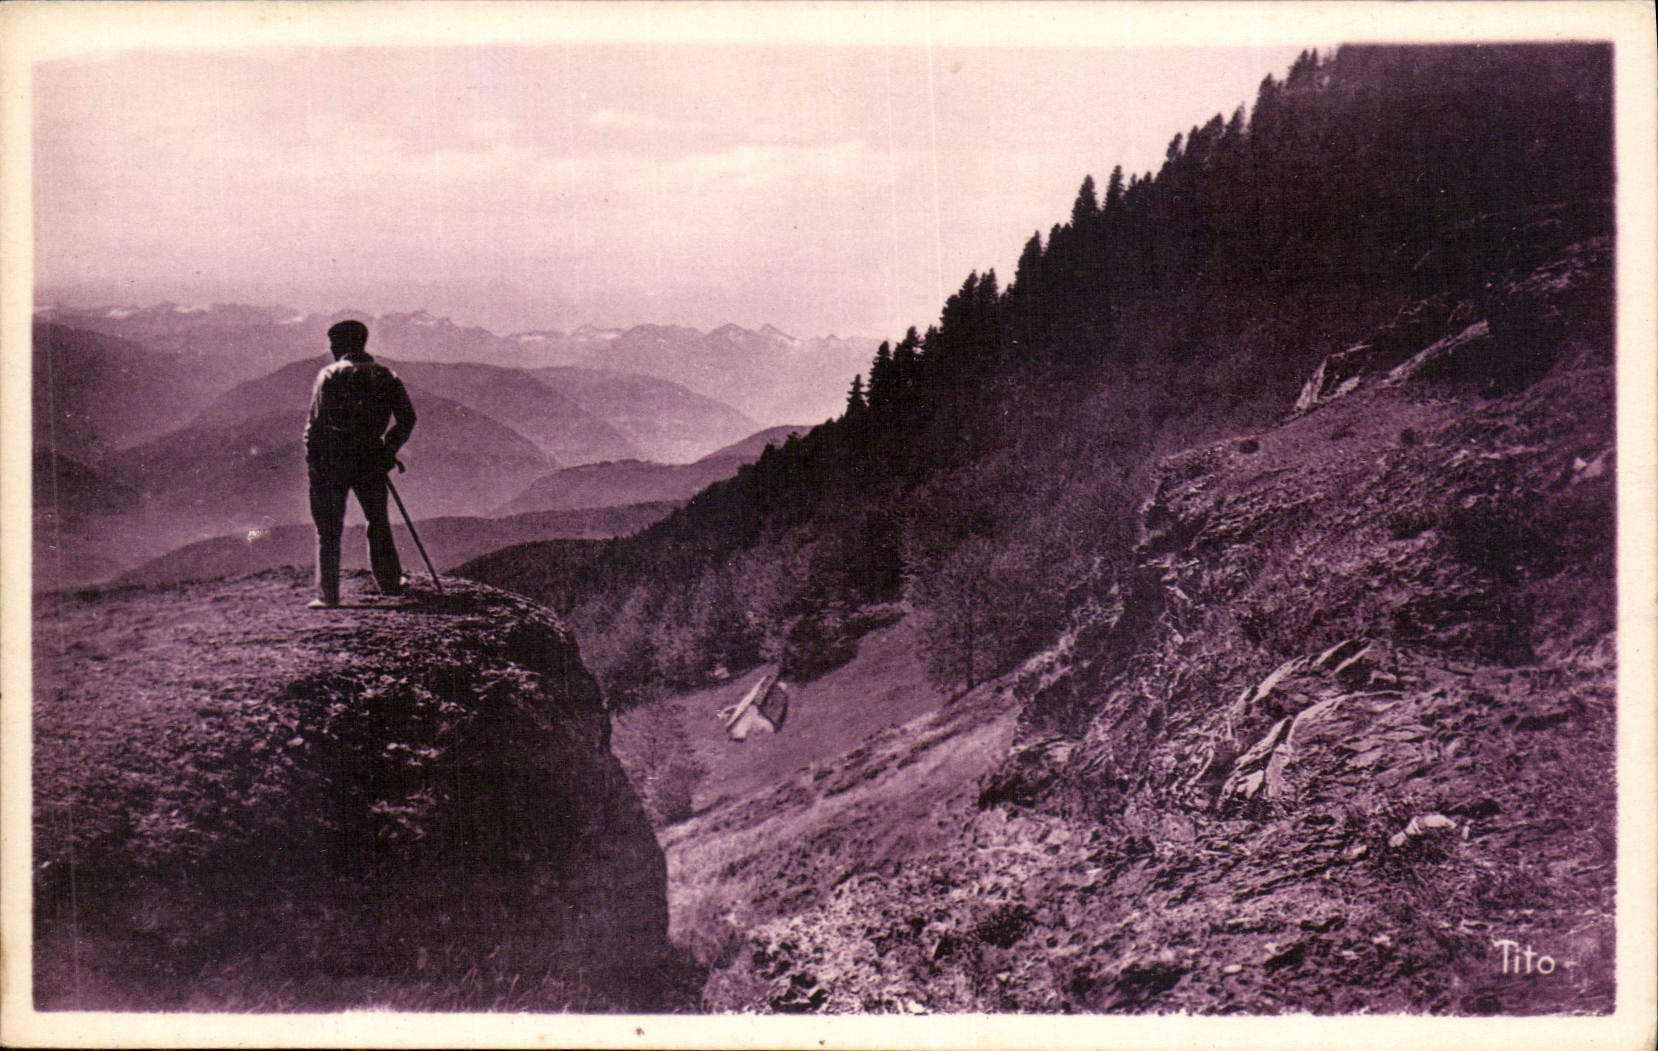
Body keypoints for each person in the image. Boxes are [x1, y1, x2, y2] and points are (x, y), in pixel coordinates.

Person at [303, 319, 417, 608]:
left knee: (327, 528)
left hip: (332, 460)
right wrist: (388, 450)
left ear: (342, 344)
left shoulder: (329, 375)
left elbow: (315, 425)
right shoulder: (385, 375)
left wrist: (313, 462)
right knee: (377, 520)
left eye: (333, 343)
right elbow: (407, 419)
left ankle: (327, 595)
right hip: (370, 458)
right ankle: (390, 583)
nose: (330, 348)